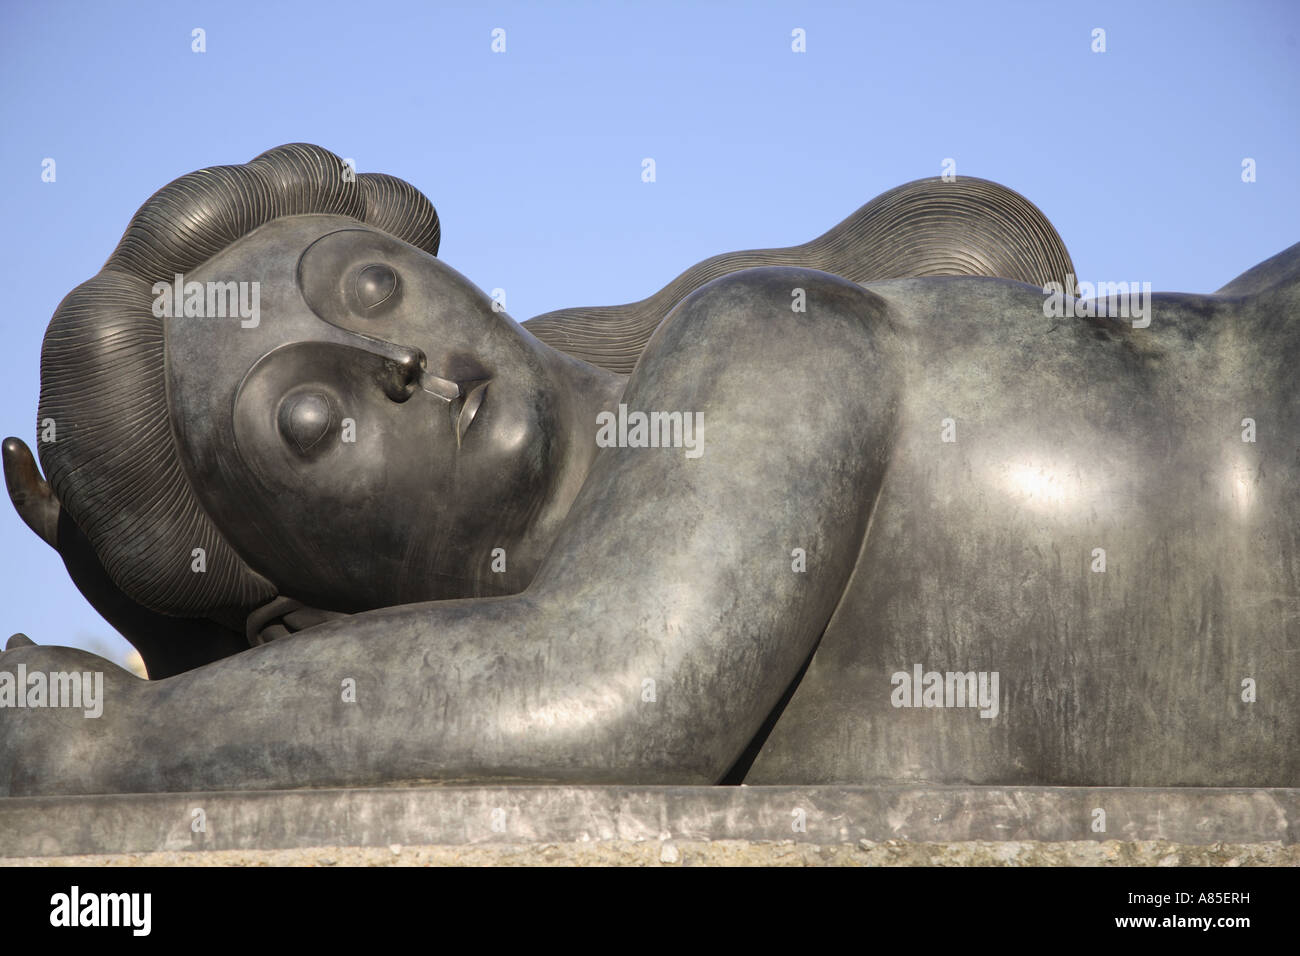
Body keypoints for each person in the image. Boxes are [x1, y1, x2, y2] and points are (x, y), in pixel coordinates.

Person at [2, 144, 1295, 795]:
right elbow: (596, 686)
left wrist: (106, 750)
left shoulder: (733, 350)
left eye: (369, 285)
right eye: (309, 424)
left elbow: (618, 689)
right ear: (306, 614)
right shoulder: (671, 627)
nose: (395, 362)